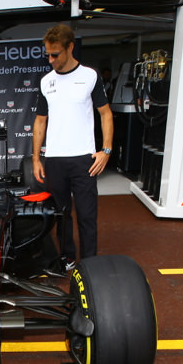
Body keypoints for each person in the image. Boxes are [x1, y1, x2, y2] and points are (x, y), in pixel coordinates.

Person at [32, 24, 113, 269]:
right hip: (55, 159)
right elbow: (40, 120)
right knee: (61, 215)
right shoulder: (46, 81)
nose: (51, 60)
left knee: (87, 216)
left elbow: (106, 114)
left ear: (70, 47)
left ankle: (89, 264)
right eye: (47, 54)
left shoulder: (90, 76)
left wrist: (106, 150)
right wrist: (36, 158)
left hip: (83, 159)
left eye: (55, 54)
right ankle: (67, 258)